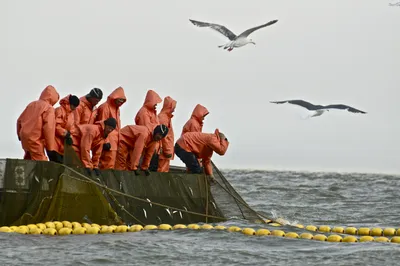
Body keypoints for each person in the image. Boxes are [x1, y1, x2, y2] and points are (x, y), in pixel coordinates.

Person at [17, 85, 60, 161]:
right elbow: (48, 128)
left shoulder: (31, 104)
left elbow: (19, 120)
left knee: (28, 160)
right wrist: (50, 148)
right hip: (35, 138)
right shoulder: (49, 108)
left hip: (24, 137)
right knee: (41, 163)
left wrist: (19, 135)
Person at [93, 86, 126, 169]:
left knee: (111, 164)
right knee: (104, 163)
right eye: (120, 99)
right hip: (107, 141)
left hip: (115, 142)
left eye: (123, 100)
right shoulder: (105, 107)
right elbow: (102, 125)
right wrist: (105, 141)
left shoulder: (117, 109)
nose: (121, 102)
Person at [134, 89, 162, 170]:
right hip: (145, 145)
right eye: (155, 102)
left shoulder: (153, 113)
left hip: (153, 145)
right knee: (144, 166)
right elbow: (146, 128)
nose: (156, 105)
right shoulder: (143, 112)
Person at [151, 96, 176, 172]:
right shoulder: (163, 118)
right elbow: (163, 136)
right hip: (163, 152)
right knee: (161, 172)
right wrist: (167, 151)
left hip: (164, 151)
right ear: (169, 106)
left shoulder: (166, 117)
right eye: (173, 107)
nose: (174, 110)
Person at [52, 94, 80, 163]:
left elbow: (72, 128)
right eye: (74, 106)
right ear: (69, 103)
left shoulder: (71, 114)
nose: (74, 108)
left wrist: (70, 137)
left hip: (62, 146)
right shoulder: (59, 110)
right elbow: (56, 126)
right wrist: (65, 133)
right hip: (54, 142)